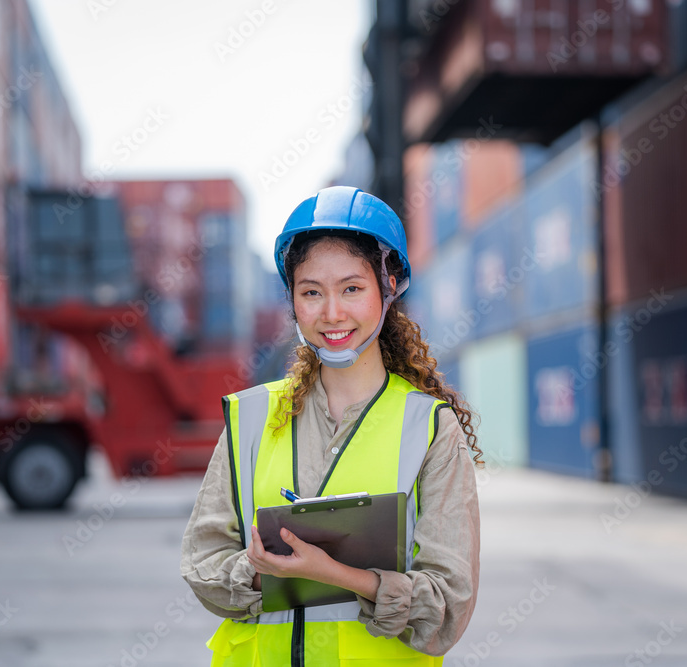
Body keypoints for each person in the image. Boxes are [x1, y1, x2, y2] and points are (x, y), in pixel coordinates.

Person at [181, 186, 482, 665]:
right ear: (293, 301)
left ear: (390, 287)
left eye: (352, 289)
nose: (332, 313)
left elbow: (446, 609)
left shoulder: (429, 429)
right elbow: (202, 565)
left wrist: (336, 574)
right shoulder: (251, 418)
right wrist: (260, 572)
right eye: (312, 293)